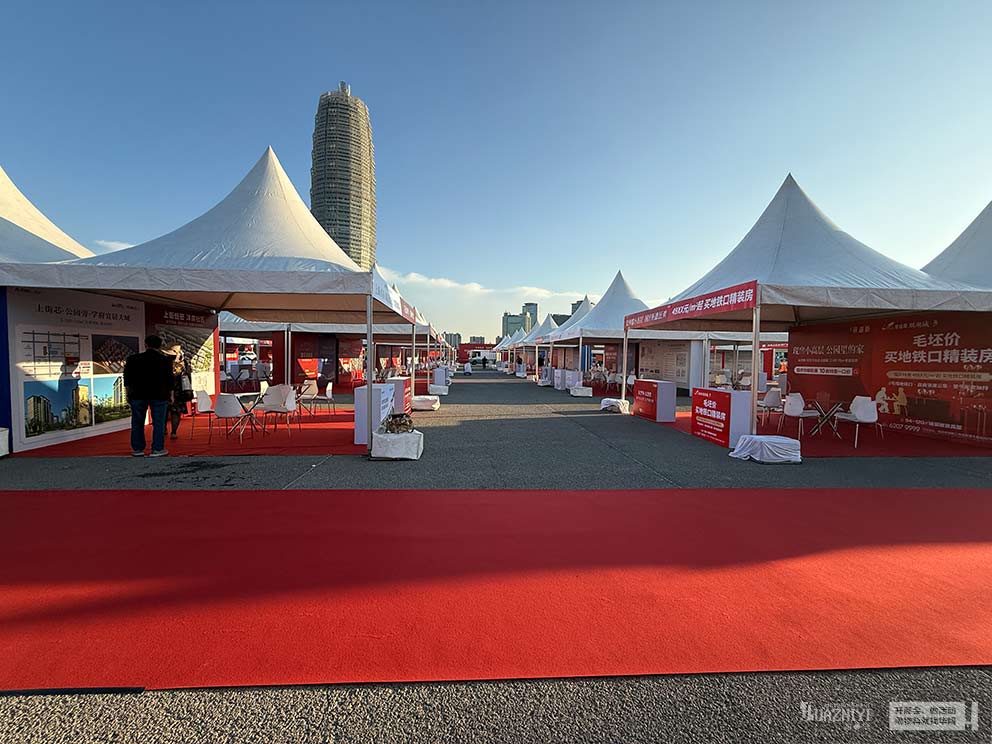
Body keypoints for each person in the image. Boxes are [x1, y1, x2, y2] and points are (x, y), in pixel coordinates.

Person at [123, 335, 175, 457]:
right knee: (158, 423)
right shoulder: (165, 360)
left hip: (137, 395)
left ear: (145, 344)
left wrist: (128, 394)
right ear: (160, 346)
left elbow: (127, 379)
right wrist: (171, 395)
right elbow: (170, 380)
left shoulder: (133, 359)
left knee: (137, 422)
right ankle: (157, 449)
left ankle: (138, 449)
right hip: (159, 395)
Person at [167, 344, 195, 439]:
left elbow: (173, 376)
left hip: (170, 391)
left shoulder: (173, 364)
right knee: (176, 412)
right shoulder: (184, 363)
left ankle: (165, 430)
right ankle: (173, 432)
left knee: (166, 411)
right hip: (180, 391)